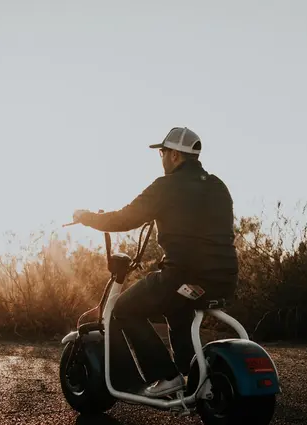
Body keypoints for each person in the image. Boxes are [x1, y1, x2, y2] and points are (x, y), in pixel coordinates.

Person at [72, 126, 238, 397]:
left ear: (174, 155)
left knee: (123, 309)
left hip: (183, 276)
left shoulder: (166, 186)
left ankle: (165, 376)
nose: (161, 158)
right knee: (177, 308)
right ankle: (190, 376)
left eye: (162, 152)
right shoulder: (218, 185)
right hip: (224, 279)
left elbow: (124, 218)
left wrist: (86, 217)